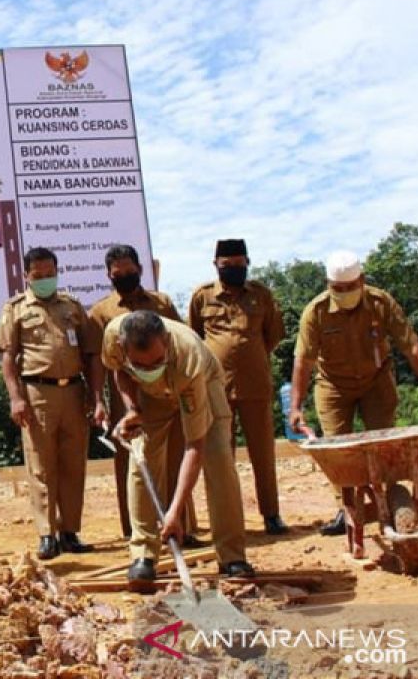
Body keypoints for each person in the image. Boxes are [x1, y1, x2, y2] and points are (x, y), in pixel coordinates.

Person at [289, 250, 418, 536]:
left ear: (361, 280)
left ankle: (388, 498)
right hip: (333, 385)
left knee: (385, 444)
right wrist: (296, 406)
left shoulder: (380, 303)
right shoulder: (316, 312)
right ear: (328, 284)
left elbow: (410, 346)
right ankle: (347, 507)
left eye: (350, 287)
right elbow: (304, 360)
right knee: (338, 451)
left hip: (376, 381)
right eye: (338, 288)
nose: (345, 293)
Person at [102, 310, 254, 582]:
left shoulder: (188, 357)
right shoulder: (113, 337)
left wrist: (174, 512)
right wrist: (133, 409)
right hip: (151, 396)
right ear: (124, 349)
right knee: (142, 459)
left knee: (219, 460)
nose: (149, 369)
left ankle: (232, 556)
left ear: (167, 341)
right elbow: (120, 373)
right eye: (141, 365)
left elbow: (194, 445)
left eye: (157, 361)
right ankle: (143, 555)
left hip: (201, 385)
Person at [0, 247, 104, 560]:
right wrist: (16, 399)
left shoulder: (71, 306)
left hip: (73, 392)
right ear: (26, 276)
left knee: (73, 464)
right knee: (42, 465)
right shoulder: (15, 309)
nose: (45, 280)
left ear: (57, 272)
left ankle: (70, 530)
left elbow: (91, 355)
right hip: (36, 394)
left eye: (50, 274)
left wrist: (96, 397)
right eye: (38, 276)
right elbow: (7, 357)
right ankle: (47, 533)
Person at [89, 244, 200, 545]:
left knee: (177, 457)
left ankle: (183, 527)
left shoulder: (161, 302)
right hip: (130, 398)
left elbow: (179, 341)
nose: (124, 276)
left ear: (140, 268)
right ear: (108, 275)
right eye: (117, 273)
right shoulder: (101, 312)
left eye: (129, 270)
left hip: (169, 392)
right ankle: (138, 532)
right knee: (134, 464)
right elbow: (99, 362)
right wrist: (99, 399)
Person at [188, 239, 288, 535]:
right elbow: (195, 339)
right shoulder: (202, 297)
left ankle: (271, 515)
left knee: (263, 453)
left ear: (248, 262)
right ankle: (228, 519)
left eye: (239, 264)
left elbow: (273, 335)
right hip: (216, 388)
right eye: (226, 266)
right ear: (216, 265)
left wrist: (249, 355)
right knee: (220, 455)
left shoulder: (261, 295)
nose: (233, 270)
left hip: (255, 385)